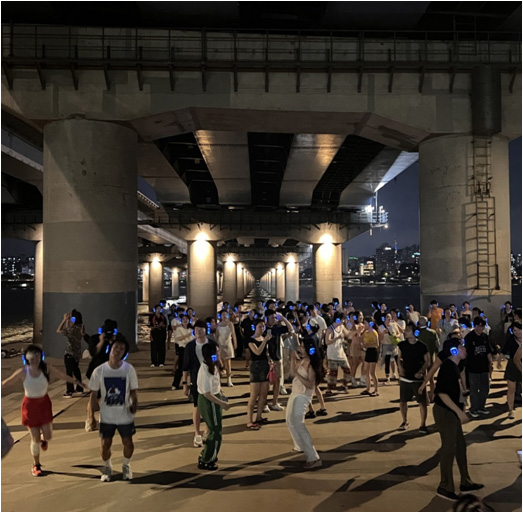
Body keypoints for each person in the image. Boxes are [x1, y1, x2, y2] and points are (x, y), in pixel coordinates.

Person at [2, 344, 88, 477]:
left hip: (44, 404)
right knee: (34, 438)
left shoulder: (46, 368)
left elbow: (62, 376)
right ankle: (36, 465)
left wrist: (78, 382)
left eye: (37, 356)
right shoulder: (23, 372)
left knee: (48, 436)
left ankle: (44, 439)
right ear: (27, 358)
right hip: (30, 406)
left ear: (40, 357)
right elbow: (7, 382)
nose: (34, 359)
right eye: (32, 357)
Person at [433, 338, 483, 500]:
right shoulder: (447, 367)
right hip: (445, 411)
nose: (465, 349)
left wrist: (462, 404)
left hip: (452, 411)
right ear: (453, 351)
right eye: (461, 347)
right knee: (448, 449)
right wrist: (459, 412)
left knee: (460, 446)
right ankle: (444, 486)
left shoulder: (455, 366)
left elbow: (456, 389)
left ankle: (465, 481)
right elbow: (442, 393)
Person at [89, 334, 138, 482]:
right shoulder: (99, 371)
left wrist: (134, 405)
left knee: (128, 442)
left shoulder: (129, 369)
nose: (118, 350)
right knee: (105, 445)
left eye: (122, 349)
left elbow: (134, 391)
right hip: (107, 415)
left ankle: (126, 465)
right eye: (116, 347)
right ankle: (107, 467)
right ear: (111, 348)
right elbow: (93, 395)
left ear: (124, 353)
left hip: (124, 415)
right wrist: (91, 417)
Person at [286, 334, 325, 470]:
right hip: (295, 392)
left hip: (303, 395)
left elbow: (310, 384)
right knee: (289, 420)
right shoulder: (303, 360)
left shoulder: (312, 364)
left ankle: (313, 457)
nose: (300, 348)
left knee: (299, 423)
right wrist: (293, 359)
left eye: (303, 347)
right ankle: (299, 446)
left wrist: (298, 374)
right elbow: (292, 372)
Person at [196, 343, 233, 471]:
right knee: (215, 431)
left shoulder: (213, 365)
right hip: (209, 401)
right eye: (216, 351)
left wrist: (221, 394)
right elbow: (207, 393)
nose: (219, 353)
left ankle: (207, 455)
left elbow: (216, 384)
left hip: (214, 398)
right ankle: (207, 459)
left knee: (214, 429)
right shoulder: (205, 370)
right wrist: (222, 403)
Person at [182, 320, 217, 447]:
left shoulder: (212, 344)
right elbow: (185, 366)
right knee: (197, 406)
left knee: (209, 405)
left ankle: (207, 430)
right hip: (196, 379)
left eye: (201, 329)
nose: (198, 332)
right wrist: (185, 383)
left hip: (211, 379)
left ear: (205, 330)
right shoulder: (190, 346)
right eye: (196, 329)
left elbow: (216, 361)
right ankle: (197, 433)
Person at [85, 319, 118, 432]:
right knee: (94, 395)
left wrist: (113, 343)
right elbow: (94, 353)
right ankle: (90, 419)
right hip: (96, 370)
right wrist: (101, 341)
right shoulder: (95, 338)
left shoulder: (116, 340)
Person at [397, 322, 430, 432]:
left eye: (408, 330)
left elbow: (427, 361)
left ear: (415, 332)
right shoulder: (402, 345)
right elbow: (399, 358)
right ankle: (404, 420)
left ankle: (423, 424)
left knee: (422, 402)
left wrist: (421, 371)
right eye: (405, 330)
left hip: (417, 379)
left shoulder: (422, 346)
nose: (405, 332)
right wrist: (400, 368)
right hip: (405, 377)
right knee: (403, 401)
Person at [265, 310, 294, 410]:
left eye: (275, 317)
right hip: (266, 359)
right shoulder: (263, 328)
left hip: (277, 358)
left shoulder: (276, 328)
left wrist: (283, 318)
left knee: (277, 381)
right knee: (265, 383)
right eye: (272, 318)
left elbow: (290, 329)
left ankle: (275, 402)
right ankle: (264, 403)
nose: (274, 319)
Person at [464, 317, 492, 417]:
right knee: (474, 389)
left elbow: (488, 350)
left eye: (483, 326)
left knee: (485, 388)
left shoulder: (485, 336)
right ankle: (473, 409)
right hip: (473, 367)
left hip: (484, 366)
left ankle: (481, 407)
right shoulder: (469, 337)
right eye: (479, 326)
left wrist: (491, 362)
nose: (481, 328)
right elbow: (466, 352)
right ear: (475, 326)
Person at [246, 319, 271, 429]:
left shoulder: (264, 337)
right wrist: (265, 341)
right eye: (260, 327)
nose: (262, 329)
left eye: (263, 327)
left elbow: (266, 353)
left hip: (265, 365)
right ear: (255, 327)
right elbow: (257, 352)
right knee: (254, 395)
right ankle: (249, 420)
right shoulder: (251, 340)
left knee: (263, 394)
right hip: (256, 367)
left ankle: (259, 416)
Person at [56, 309, 85, 398]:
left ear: (74, 319)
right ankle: (79, 389)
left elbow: (59, 330)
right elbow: (68, 329)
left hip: (69, 353)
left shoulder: (71, 329)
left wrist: (64, 320)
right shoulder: (81, 327)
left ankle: (69, 391)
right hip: (77, 353)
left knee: (69, 372)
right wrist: (68, 321)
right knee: (76, 370)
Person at [325, 315, 351, 395]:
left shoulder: (342, 327)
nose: (343, 321)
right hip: (332, 354)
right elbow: (327, 341)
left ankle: (344, 385)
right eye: (342, 320)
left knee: (347, 370)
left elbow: (348, 334)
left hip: (341, 353)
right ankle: (329, 389)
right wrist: (337, 338)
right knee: (333, 373)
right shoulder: (330, 329)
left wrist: (355, 329)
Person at [416, 316, 440, 401]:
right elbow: (437, 345)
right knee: (431, 378)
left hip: (421, 359)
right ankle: (432, 395)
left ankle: (425, 397)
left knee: (423, 379)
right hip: (431, 358)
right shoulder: (433, 332)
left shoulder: (417, 333)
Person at [502, 322, 522, 419]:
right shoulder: (511, 339)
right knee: (511, 389)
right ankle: (510, 410)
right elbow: (515, 359)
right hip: (513, 366)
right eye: (515, 330)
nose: (517, 332)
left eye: (519, 329)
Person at [171, 315, 194, 389]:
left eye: (186, 319)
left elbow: (194, 339)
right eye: (183, 319)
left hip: (191, 349)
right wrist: (188, 335)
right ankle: (175, 384)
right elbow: (179, 338)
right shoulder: (179, 329)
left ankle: (193, 384)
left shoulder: (191, 329)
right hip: (182, 348)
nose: (185, 320)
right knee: (181, 366)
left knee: (193, 367)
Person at [216, 310, 237, 387]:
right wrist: (216, 345)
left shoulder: (230, 324)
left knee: (228, 362)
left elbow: (233, 334)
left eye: (226, 314)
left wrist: (235, 343)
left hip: (228, 344)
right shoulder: (218, 325)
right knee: (220, 361)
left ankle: (229, 379)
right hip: (220, 344)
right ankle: (219, 378)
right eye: (223, 314)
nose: (224, 316)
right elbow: (217, 336)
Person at [361, 317, 380, 396]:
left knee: (372, 372)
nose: (364, 325)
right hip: (368, 351)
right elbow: (361, 339)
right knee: (366, 371)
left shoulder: (374, 332)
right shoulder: (365, 332)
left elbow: (376, 344)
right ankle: (368, 388)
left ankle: (376, 390)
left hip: (373, 351)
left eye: (365, 323)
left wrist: (367, 345)